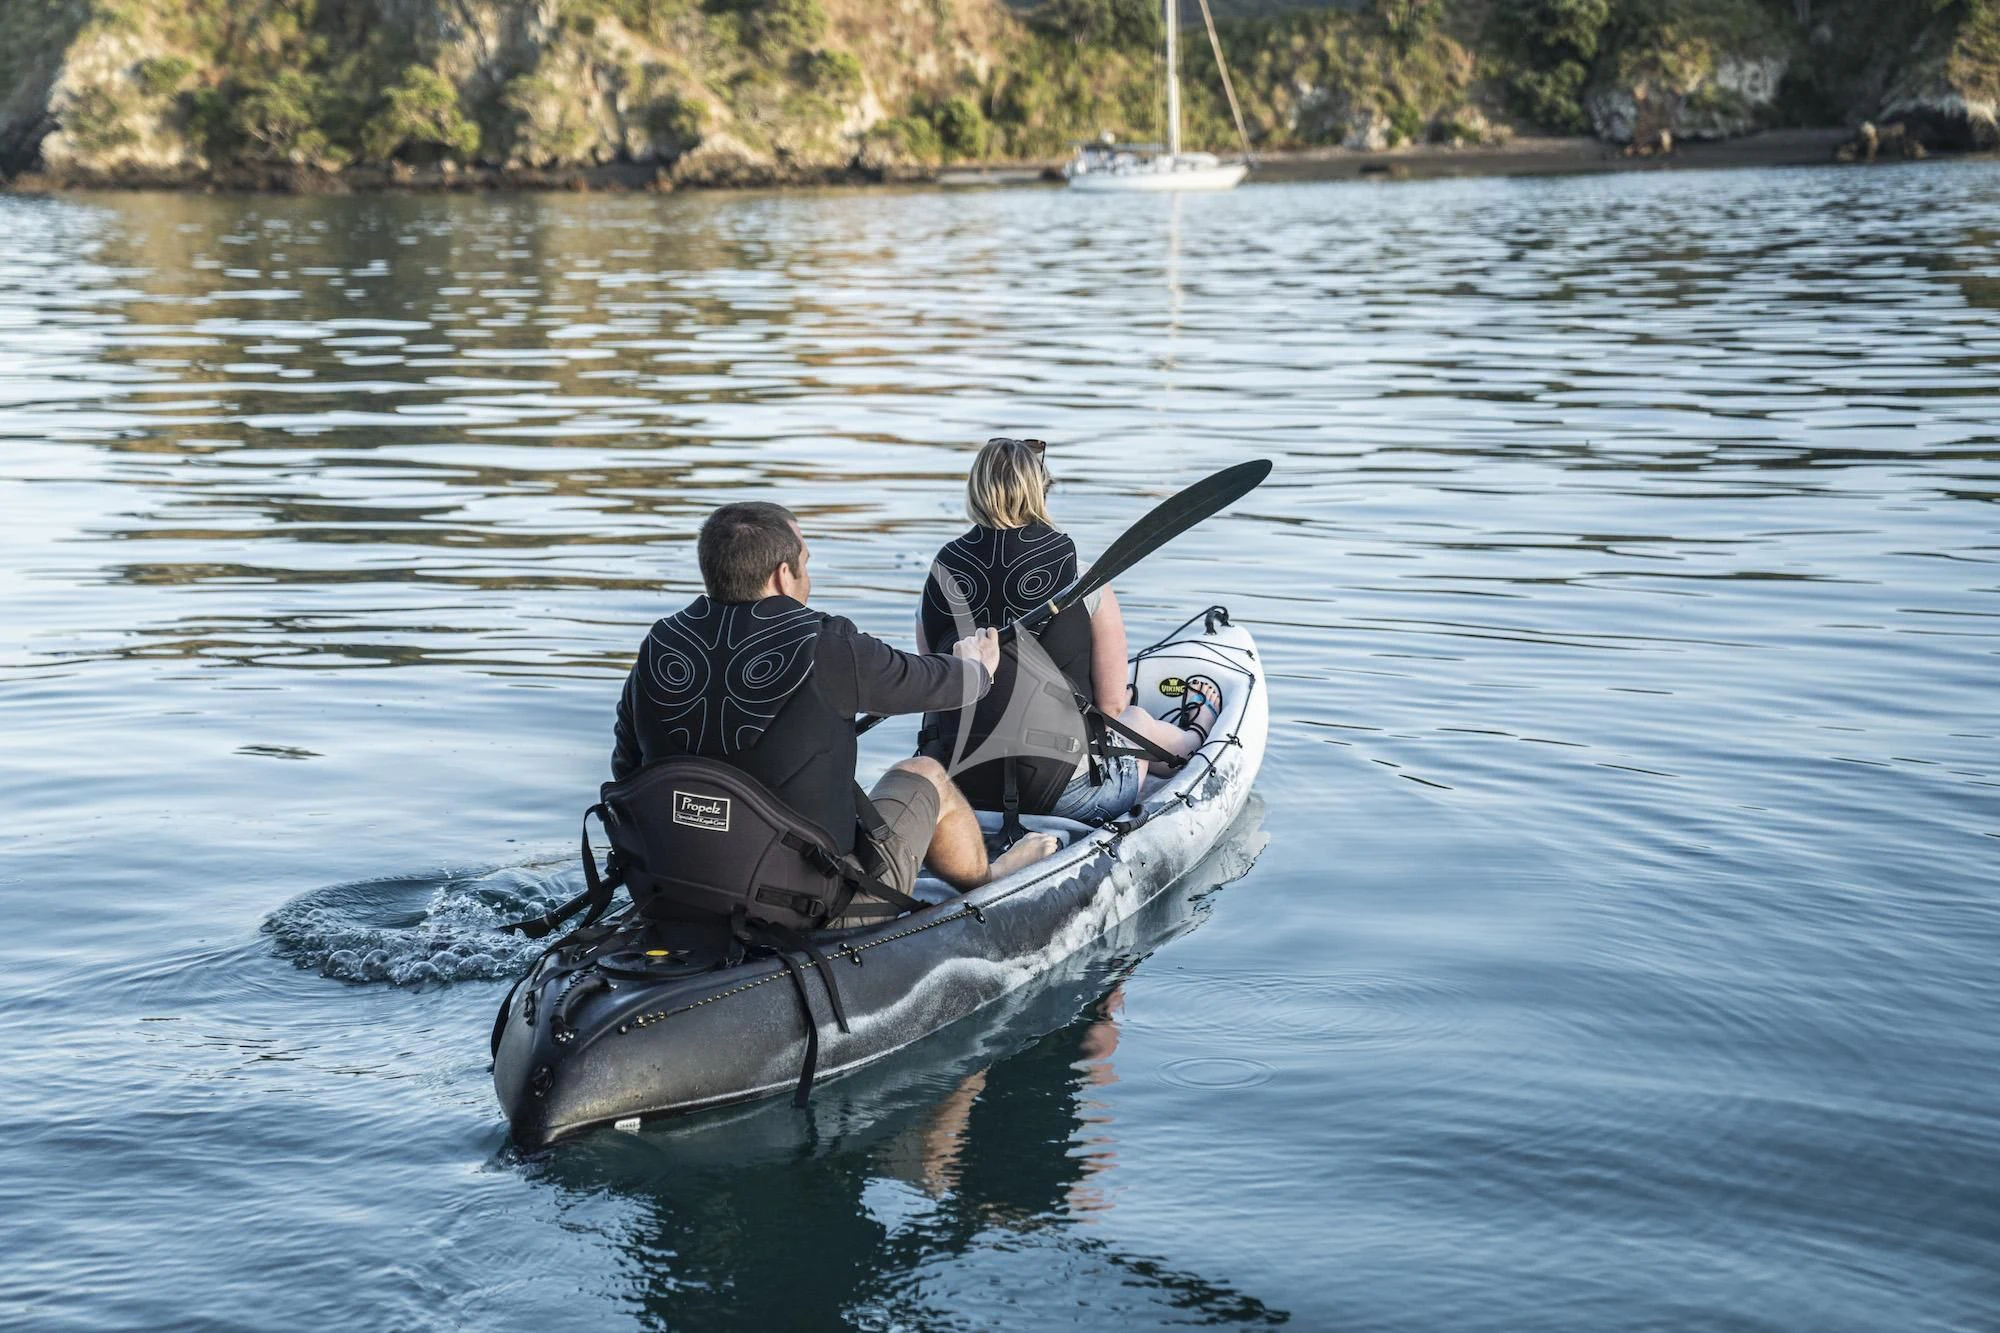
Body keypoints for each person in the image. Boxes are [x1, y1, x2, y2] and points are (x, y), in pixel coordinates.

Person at [613, 501, 1058, 926]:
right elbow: (937, 683)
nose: (808, 576)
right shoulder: (827, 645)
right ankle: (991, 878)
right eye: (806, 562)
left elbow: (627, 772)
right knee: (926, 774)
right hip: (807, 904)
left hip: (674, 888)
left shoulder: (659, 645)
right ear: (783, 575)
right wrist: (976, 667)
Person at [916, 438, 1218, 826]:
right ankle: (1194, 739)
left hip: (957, 793)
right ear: (1040, 491)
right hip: (1063, 795)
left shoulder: (938, 578)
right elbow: (1110, 709)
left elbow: (930, 690)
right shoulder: (1081, 576)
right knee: (1135, 719)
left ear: (974, 491)